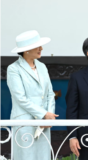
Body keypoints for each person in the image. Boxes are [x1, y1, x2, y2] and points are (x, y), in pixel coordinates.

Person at [7, 30, 57, 160]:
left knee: (43, 157)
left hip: (44, 125)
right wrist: (44, 114)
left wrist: (49, 116)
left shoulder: (42, 66)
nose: (41, 48)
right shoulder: (14, 68)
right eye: (37, 46)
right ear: (26, 50)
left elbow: (50, 94)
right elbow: (20, 98)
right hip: (25, 124)